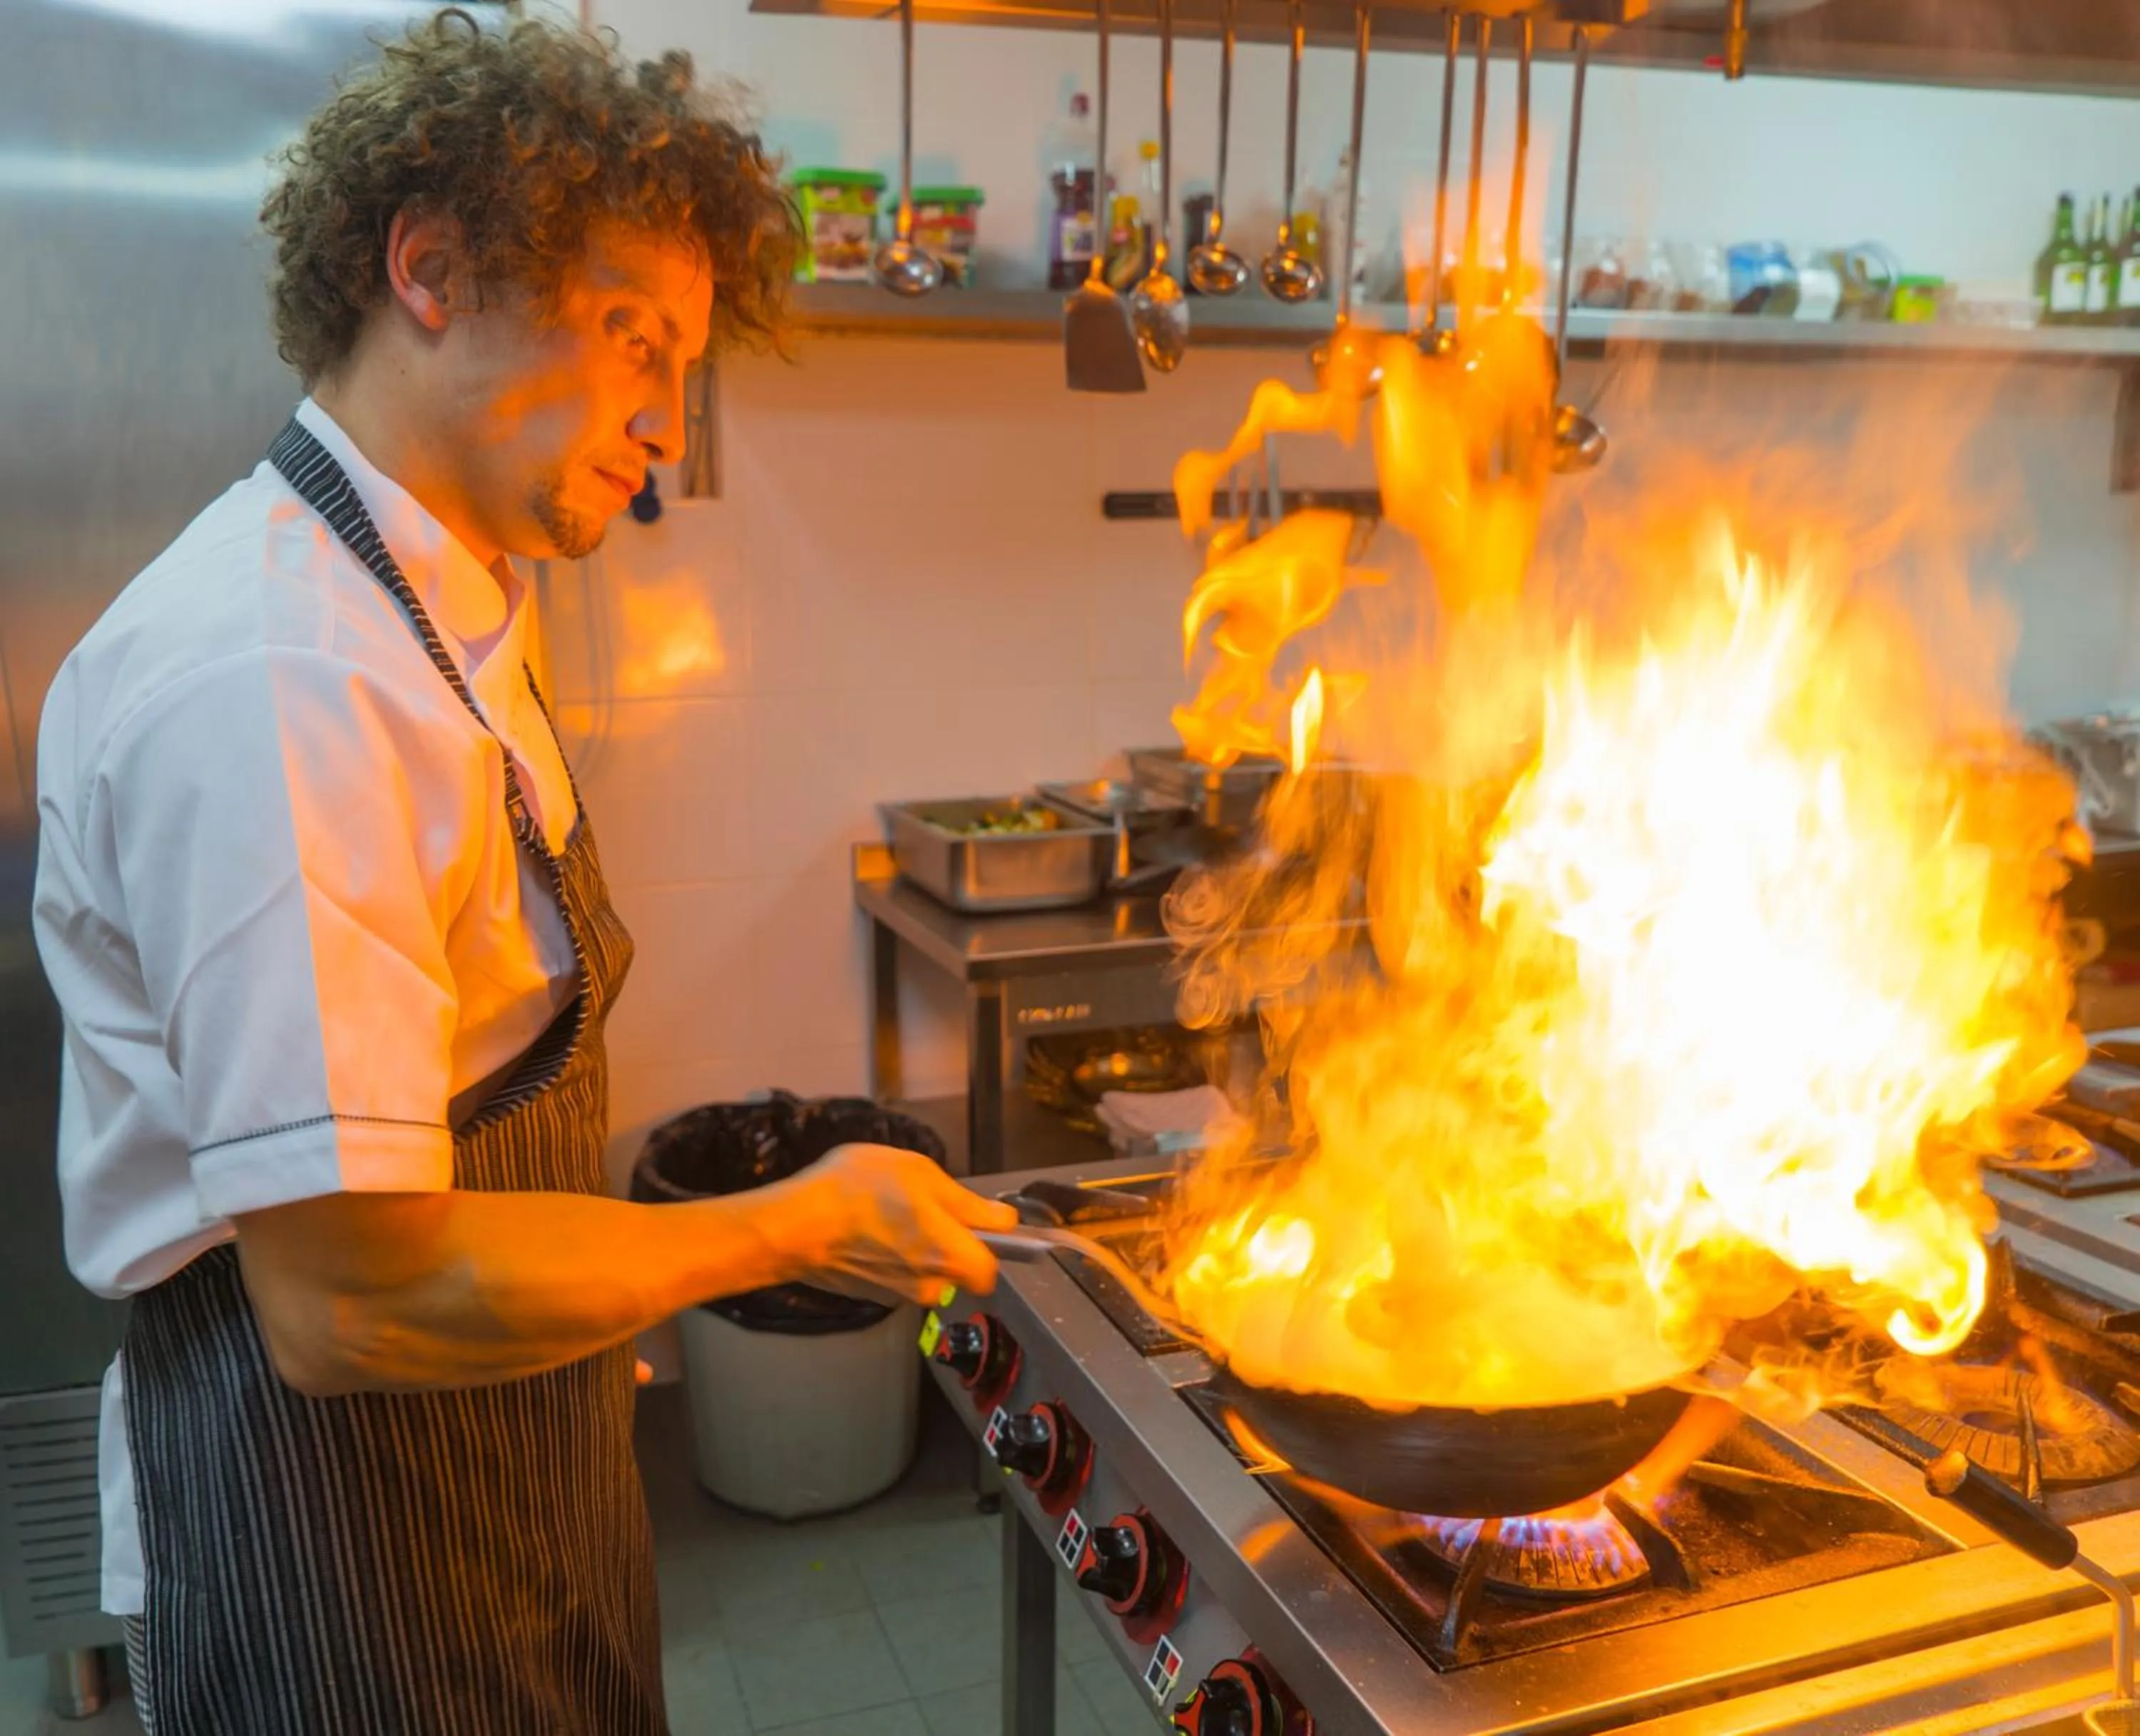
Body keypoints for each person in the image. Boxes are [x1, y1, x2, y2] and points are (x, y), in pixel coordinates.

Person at [29, 11, 1014, 1733]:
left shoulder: (442, 598)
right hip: (334, 1525)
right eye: (634, 337)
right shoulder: (282, 673)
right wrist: (784, 1222)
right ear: (430, 266)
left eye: (684, 360)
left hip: (513, 1464)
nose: (664, 416)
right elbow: (347, 1300)